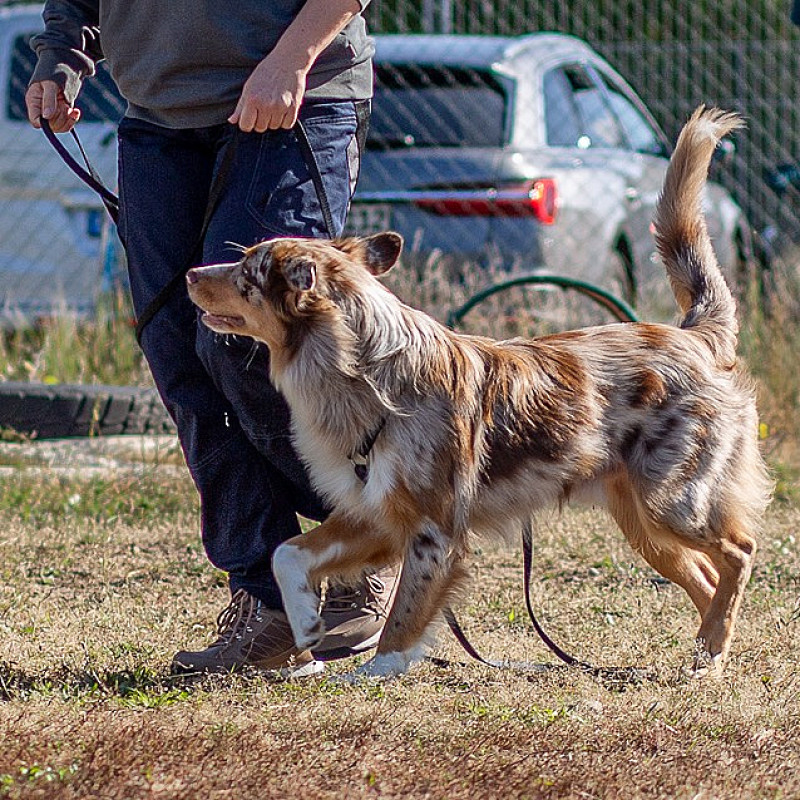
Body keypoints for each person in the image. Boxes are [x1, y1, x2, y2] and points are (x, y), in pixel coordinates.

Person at [26, 0, 397, 677]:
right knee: (177, 355)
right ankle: (272, 602)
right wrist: (61, 58)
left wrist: (291, 59)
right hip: (158, 119)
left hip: (293, 99)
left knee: (243, 339)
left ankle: (368, 538)